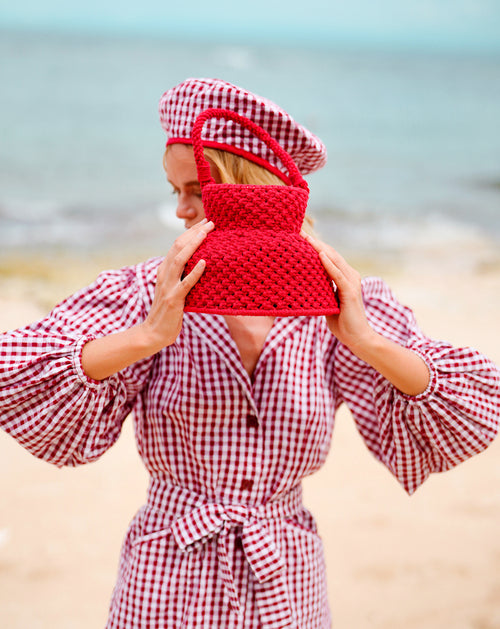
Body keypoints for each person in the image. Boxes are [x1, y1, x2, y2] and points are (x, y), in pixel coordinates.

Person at [0, 77, 499, 629]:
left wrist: (366, 341)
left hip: (288, 578)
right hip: (166, 576)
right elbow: (19, 374)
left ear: (248, 191)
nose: (180, 212)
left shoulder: (337, 300)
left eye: (195, 191)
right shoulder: (150, 292)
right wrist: (147, 335)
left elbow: (467, 412)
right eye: (175, 192)